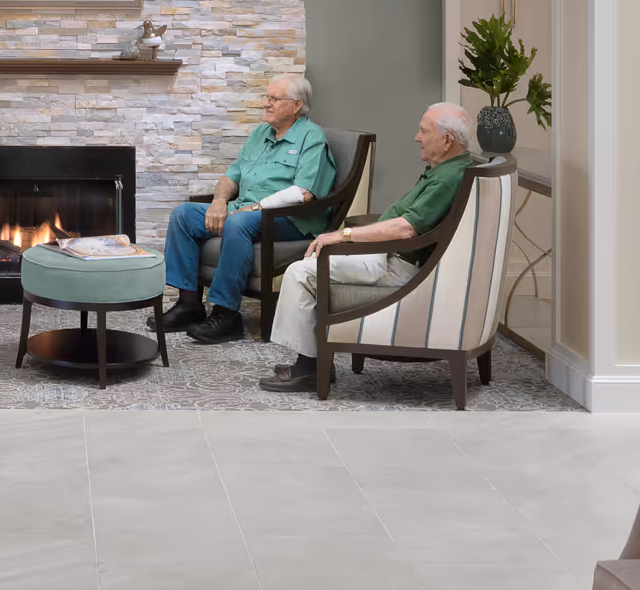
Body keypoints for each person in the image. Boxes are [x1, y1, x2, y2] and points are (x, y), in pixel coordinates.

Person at [258, 101, 477, 392]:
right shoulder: (453, 168)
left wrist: (343, 235)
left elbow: (406, 227)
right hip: (391, 254)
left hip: (397, 265)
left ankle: (309, 367)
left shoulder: (449, 179)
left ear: (447, 140)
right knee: (308, 264)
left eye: (423, 131)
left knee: (300, 272)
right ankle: (311, 361)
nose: (416, 137)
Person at [153, 74, 338, 345]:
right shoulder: (261, 133)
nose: (266, 104)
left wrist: (255, 208)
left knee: (238, 223)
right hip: (244, 210)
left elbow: (303, 193)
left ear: (297, 105)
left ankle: (226, 315)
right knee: (184, 215)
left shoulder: (312, 137)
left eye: (274, 99)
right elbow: (232, 176)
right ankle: (189, 305)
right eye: (267, 98)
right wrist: (218, 203)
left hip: (290, 219)